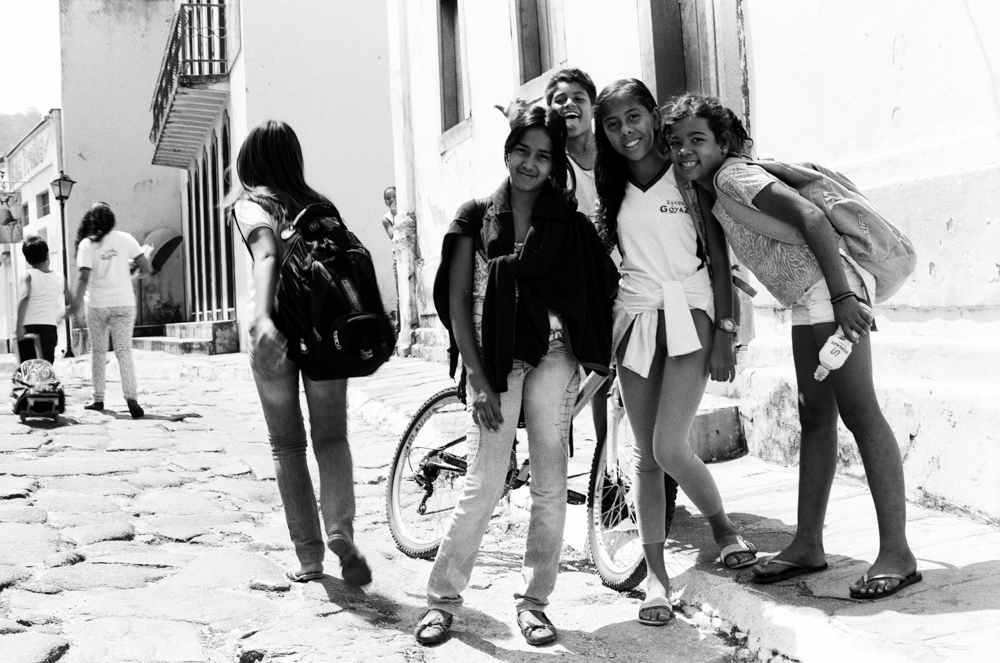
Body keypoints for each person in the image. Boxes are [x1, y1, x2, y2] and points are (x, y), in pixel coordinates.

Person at [661, 93, 920, 600]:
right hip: (806, 298)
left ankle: (897, 553)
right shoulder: (708, 189)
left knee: (861, 413)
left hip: (830, 291)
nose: (684, 150)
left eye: (697, 139)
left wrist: (843, 297)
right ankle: (807, 544)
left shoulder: (733, 176)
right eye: (675, 142)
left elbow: (812, 218)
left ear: (723, 142)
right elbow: (722, 258)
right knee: (815, 416)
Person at [416, 106, 616, 647]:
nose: (531, 163)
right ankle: (442, 599)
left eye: (544, 156)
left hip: (555, 356)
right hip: (496, 358)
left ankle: (534, 603)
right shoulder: (475, 217)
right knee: (483, 483)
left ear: (555, 165)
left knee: (550, 484)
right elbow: (458, 302)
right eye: (523, 151)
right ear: (507, 153)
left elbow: (596, 285)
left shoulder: (568, 224)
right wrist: (477, 379)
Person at [593, 79, 757, 627]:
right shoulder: (610, 188)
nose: (626, 131)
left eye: (634, 117)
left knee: (669, 446)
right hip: (636, 318)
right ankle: (657, 580)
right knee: (645, 456)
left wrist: (725, 332)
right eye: (613, 124)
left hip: (692, 312)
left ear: (652, 117)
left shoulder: (686, 176)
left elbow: (718, 258)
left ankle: (723, 529)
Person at [227, 120, 372, 588]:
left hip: (278, 333)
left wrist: (263, 319)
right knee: (331, 437)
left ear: (250, 162)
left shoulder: (251, 205)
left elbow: (266, 255)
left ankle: (309, 558)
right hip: (326, 333)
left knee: (287, 445)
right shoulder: (321, 206)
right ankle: (340, 530)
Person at [545, 67, 613, 451]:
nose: (569, 103)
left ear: (593, 106)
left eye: (577, 97)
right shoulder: (555, 164)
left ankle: (623, 463)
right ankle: (605, 463)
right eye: (559, 100)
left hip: (628, 275)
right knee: (598, 374)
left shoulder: (613, 154)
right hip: (582, 283)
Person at [72, 203, 153, 418]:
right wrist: (131, 275)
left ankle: (98, 398)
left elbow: (83, 277)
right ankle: (131, 397)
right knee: (123, 351)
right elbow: (147, 269)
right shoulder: (126, 239)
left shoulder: (87, 244)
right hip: (124, 303)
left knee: (98, 352)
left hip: (97, 305)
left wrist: (75, 305)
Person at [16, 236, 74, 363]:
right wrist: (61, 317)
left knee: (29, 367)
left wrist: (18, 327)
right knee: (46, 366)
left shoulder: (27, 275)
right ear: (47, 255)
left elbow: (25, 297)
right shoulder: (60, 278)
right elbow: (73, 304)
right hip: (49, 327)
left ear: (27, 259)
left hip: (29, 327)